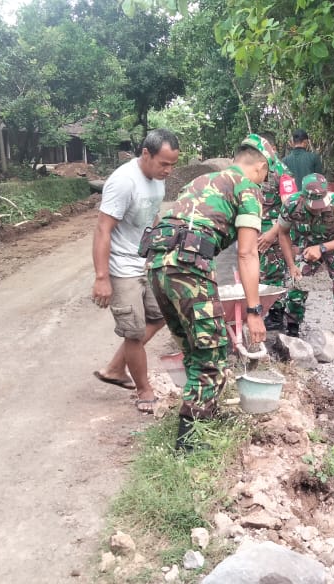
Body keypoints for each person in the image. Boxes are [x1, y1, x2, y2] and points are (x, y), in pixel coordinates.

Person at [144, 134, 278, 451]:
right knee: (213, 358)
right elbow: (247, 254)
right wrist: (254, 312)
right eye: (266, 174)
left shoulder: (203, 180)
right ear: (260, 166)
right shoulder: (249, 189)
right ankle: (189, 444)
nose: (265, 180)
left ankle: (205, 416)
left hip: (158, 267)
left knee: (195, 351)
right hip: (189, 270)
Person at [91, 129, 180, 413]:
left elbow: (151, 216)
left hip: (145, 261)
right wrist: (102, 277)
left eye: (172, 164)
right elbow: (103, 229)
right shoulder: (123, 181)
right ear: (146, 154)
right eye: (163, 163)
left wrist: (161, 248)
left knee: (161, 315)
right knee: (133, 332)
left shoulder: (156, 181)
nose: (168, 170)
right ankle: (144, 390)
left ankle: (117, 368)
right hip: (121, 267)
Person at [274, 173, 334, 371]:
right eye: (314, 205)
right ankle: (292, 334)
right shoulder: (292, 204)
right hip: (307, 246)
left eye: (321, 203)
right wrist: (291, 266)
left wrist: (322, 248)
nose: (319, 208)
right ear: (303, 197)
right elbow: (283, 233)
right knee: (298, 285)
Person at [255, 132, 291, 331]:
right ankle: (261, 310)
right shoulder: (254, 168)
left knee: (274, 274)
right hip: (255, 232)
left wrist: (272, 233)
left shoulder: (282, 172)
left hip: (273, 234)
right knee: (258, 274)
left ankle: (277, 315)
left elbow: (289, 209)